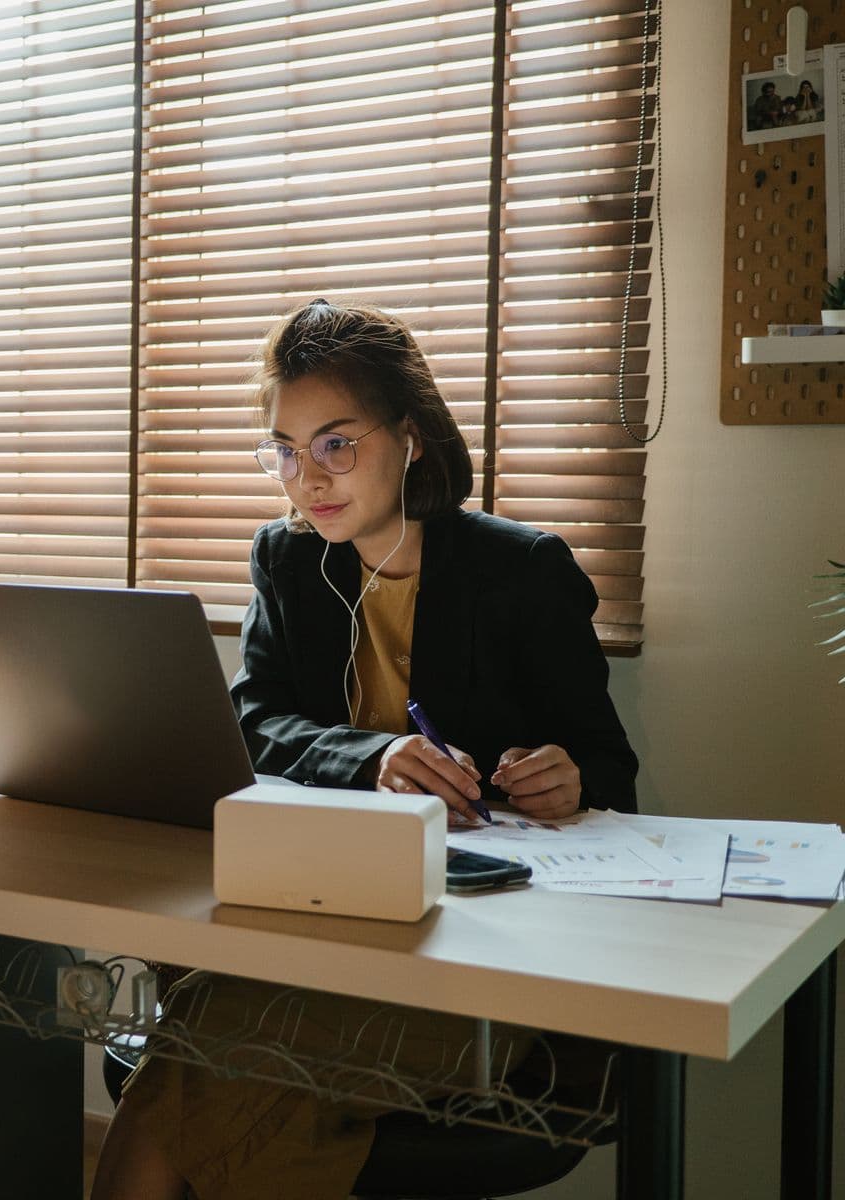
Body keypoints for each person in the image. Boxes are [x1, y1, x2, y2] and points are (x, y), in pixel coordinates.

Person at [90, 300, 638, 1200]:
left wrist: (569, 777)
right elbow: (253, 723)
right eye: (286, 450)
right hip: (314, 914)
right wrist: (369, 758)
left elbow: (614, 771)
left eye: (336, 443)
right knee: (224, 1036)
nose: (308, 479)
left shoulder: (523, 570)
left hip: (468, 946)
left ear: (410, 438)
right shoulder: (286, 560)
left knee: (205, 1048)